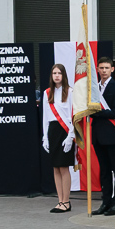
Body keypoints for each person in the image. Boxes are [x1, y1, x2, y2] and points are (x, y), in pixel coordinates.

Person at [91, 56, 115, 216]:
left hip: (111, 135)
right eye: (101, 68)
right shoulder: (94, 88)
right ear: (97, 70)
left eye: (106, 68)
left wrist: (96, 113)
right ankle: (105, 202)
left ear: (112, 69)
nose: (103, 71)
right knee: (104, 171)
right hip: (98, 135)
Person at [42, 64, 76, 213]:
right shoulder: (47, 93)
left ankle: (66, 202)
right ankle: (60, 200)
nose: (56, 76)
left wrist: (71, 136)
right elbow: (45, 117)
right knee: (56, 167)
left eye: (59, 73)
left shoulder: (69, 91)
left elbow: (74, 115)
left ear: (64, 75)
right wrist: (45, 137)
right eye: (54, 73)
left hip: (65, 131)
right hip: (53, 131)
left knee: (64, 167)